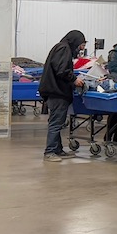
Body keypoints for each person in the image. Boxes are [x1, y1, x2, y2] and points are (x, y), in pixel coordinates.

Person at [38, 29, 87, 162]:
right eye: (81, 45)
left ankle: (57, 149)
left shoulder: (61, 48)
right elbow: (62, 70)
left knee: (57, 122)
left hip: (55, 91)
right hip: (57, 92)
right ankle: (49, 152)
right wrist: (74, 80)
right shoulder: (63, 49)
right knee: (55, 123)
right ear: (75, 41)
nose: (81, 48)